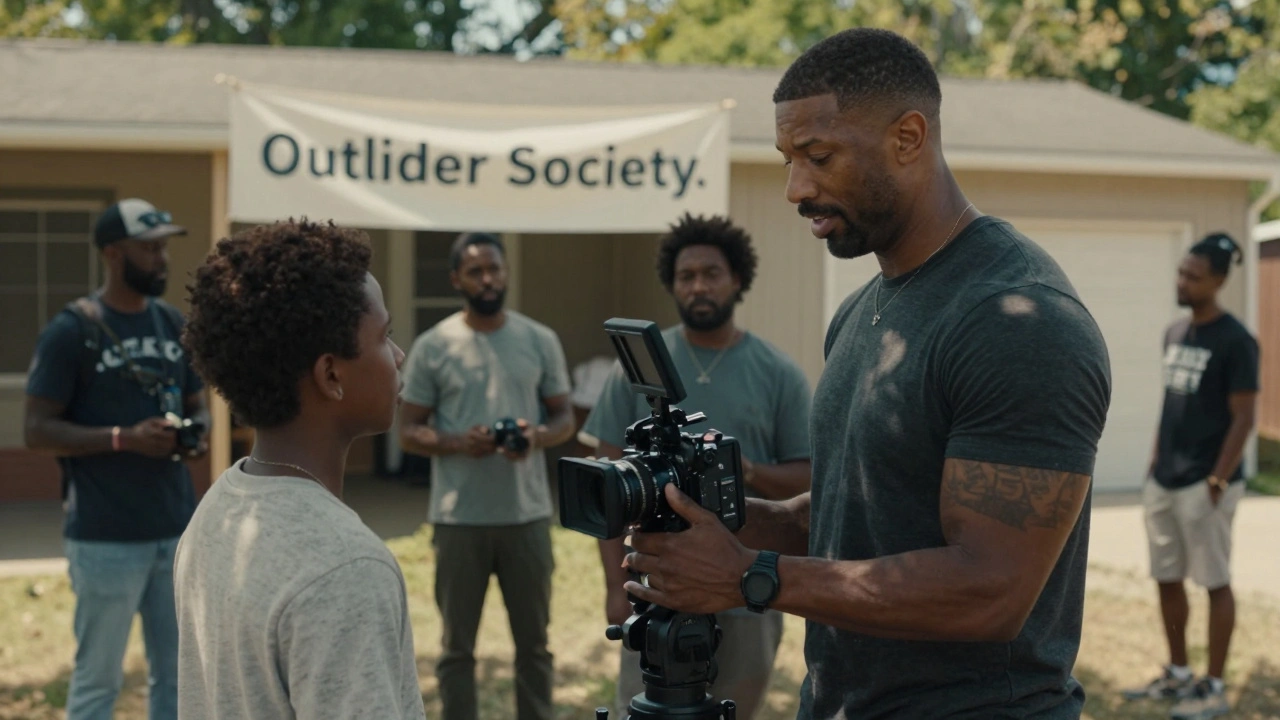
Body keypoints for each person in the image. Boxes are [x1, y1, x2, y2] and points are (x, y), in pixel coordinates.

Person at [614, 28, 1113, 719]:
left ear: (908, 137)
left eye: (819, 157)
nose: (795, 188)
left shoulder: (1018, 321)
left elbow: (991, 590)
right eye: (788, 159)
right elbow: (860, 508)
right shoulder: (861, 312)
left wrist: (751, 577)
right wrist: (718, 521)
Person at [173, 219, 425, 720]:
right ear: (331, 374)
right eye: (385, 335)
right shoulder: (345, 566)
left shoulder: (222, 506)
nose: (399, 356)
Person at [580, 212, 812, 719]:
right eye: (687, 276)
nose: (699, 286)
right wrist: (615, 587)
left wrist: (740, 472)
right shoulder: (639, 369)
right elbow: (609, 483)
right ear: (671, 284)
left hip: (745, 584)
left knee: (736, 708)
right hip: (655, 584)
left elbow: (811, 477)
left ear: (737, 280)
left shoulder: (777, 373)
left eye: (711, 273)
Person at [23, 197, 208, 720]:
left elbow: (197, 406)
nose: (162, 259)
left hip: (174, 530)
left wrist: (193, 435)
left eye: (164, 247)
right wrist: (123, 439)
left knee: (178, 680)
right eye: (148, 249)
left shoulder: (173, 323)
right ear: (112, 254)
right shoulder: (72, 330)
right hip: (104, 537)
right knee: (98, 682)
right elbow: (36, 430)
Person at [397, 232, 575, 720]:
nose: (488, 278)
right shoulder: (435, 345)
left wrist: (535, 436)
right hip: (459, 519)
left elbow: (565, 420)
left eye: (494, 268)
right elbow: (408, 430)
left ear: (506, 272)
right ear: (456, 279)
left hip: (528, 516)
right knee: (457, 649)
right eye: (475, 271)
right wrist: (459, 442)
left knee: (534, 646)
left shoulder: (539, 339)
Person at [1121, 233, 1258, 720]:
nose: (1182, 282)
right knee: (1167, 577)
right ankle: (1178, 673)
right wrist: (1155, 464)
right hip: (1166, 478)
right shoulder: (1174, 333)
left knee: (1214, 582)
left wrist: (1217, 481)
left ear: (1218, 281)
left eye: (1193, 276)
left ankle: (1214, 688)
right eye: (1181, 272)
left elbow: (1244, 418)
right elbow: (1171, 406)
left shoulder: (1237, 341)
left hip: (1207, 483)